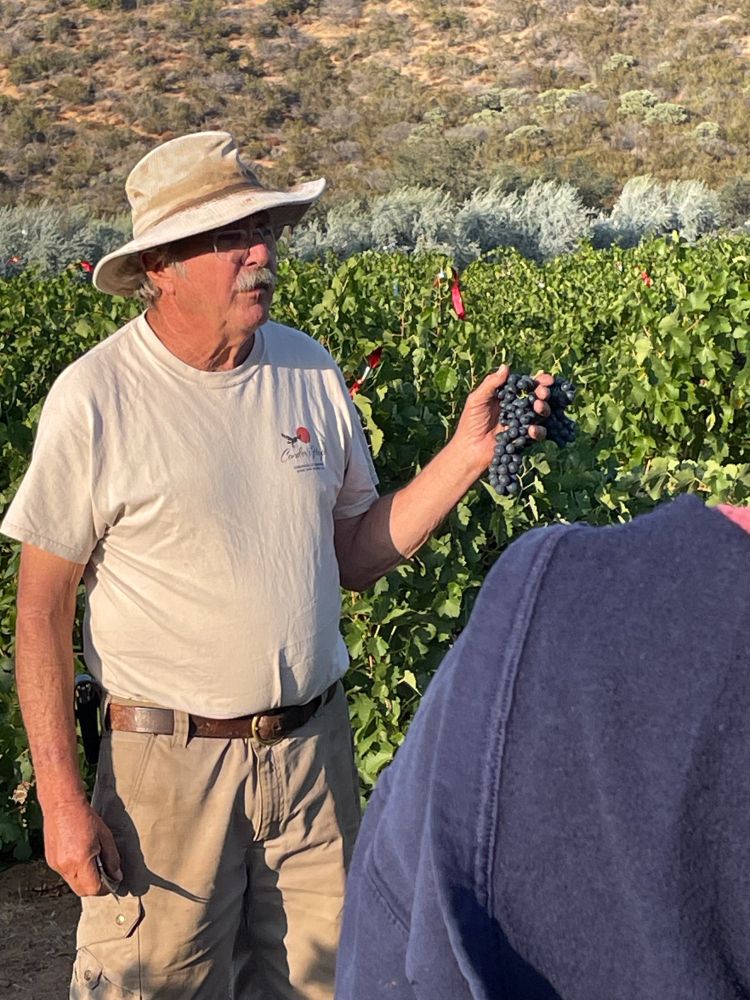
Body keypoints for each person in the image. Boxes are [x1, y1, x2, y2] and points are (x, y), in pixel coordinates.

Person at [0, 130, 552, 1000]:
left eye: (262, 231)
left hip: (312, 761)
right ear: (162, 267)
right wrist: (65, 804)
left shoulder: (309, 368)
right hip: (164, 782)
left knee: (339, 985)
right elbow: (40, 614)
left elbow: (355, 556)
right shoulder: (97, 397)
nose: (260, 254)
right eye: (231, 238)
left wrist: (466, 457)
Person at [336, 496, 750, 1000]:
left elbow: (391, 942)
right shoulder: (549, 610)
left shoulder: (550, 611)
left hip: (310, 728)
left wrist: (469, 455)